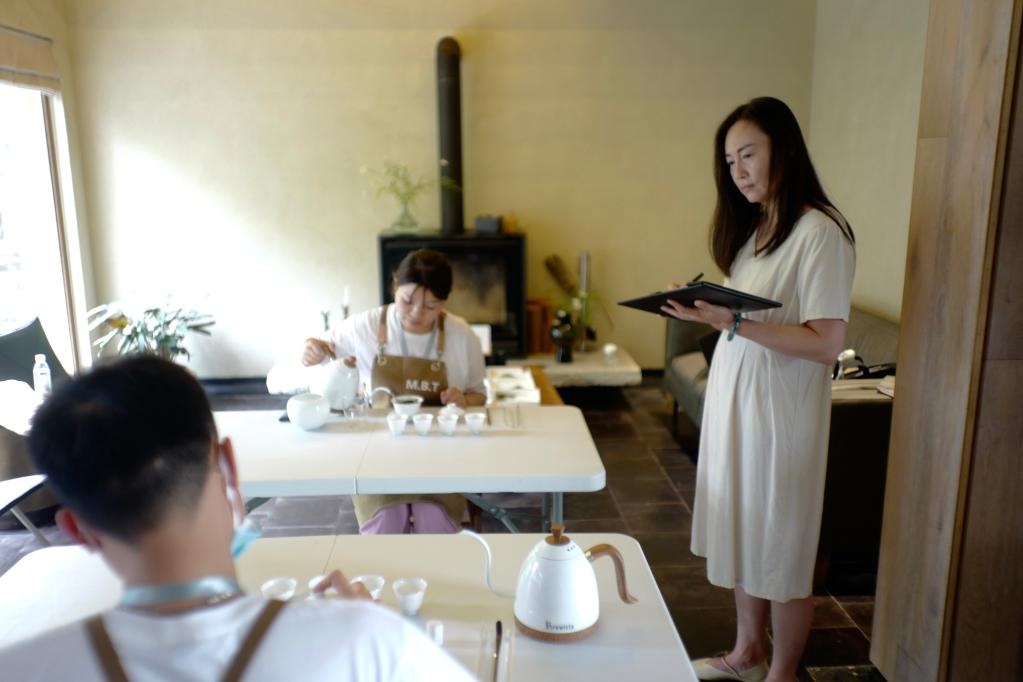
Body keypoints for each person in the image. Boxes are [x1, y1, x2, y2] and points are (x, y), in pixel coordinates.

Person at [0, 356, 475, 682]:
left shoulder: (22, 667)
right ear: (227, 463)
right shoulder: (368, 642)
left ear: (76, 530)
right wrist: (361, 622)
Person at [661, 97, 855, 682]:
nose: (738, 171)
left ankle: (783, 672)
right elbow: (745, 318)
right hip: (738, 406)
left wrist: (734, 322)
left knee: (783, 544)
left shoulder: (820, 232)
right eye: (729, 161)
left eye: (748, 154)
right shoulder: (757, 231)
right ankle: (747, 653)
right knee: (745, 531)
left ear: (784, 150)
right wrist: (704, 309)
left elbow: (826, 342)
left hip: (782, 416)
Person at [302, 248, 486, 534]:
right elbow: (321, 346)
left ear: (444, 302)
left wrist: (463, 399)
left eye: (430, 306)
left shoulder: (461, 335)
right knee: (385, 521)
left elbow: (479, 395)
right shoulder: (366, 325)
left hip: (441, 453)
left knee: (434, 520)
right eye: (407, 301)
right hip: (377, 451)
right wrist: (313, 348)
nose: (416, 313)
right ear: (394, 286)